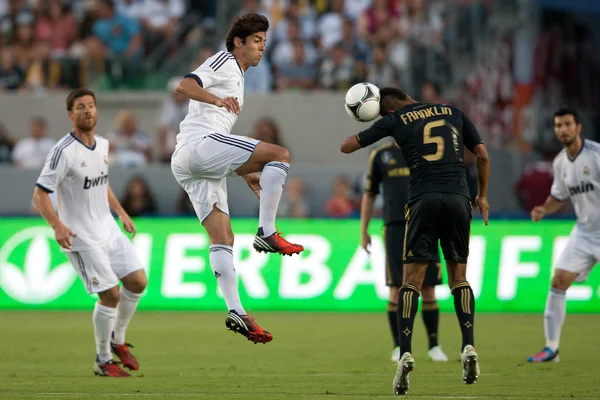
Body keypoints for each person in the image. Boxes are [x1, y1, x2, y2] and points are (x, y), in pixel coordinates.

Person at [340, 87, 490, 395]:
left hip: (423, 200)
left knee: (410, 282)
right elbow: (483, 155)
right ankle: (469, 346)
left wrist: (373, 123)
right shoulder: (453, 112)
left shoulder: (395, 120)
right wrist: (483, 196)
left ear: (387, 107)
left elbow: (347, 146)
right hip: (460, 199)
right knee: (458, 278)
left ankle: (405, 351)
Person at [171, 13, 304, 345]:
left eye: (263, 42)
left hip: (192, 161)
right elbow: (184, 85)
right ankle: (267, 232)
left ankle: (236, 310)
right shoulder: (224, 61)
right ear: (238, 43)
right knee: (280, 154)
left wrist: (241, 169)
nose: (261, 48)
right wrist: (216, 99)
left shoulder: (238, 75)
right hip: (199, 145)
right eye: (256, 41)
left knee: (222, 236)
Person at [33, 88, 148, 377]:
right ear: (71, 115)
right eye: (81, 107)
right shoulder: (63, 152)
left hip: (107, 227)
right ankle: (102, 359)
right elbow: (40, 194)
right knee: (110, 295)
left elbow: (102, 182)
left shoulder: (103, 145)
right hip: (81, 236)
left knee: (137, 281)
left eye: (91, 106)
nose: (88, 110)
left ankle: (118, 340)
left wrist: (121, 213)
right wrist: (57, 225)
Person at [361, 141, 448, 363]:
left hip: (426, 225)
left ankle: (434, 345)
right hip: (395, 227)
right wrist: (364, 229)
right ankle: (398, 346)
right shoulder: (380, 156)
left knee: (428, 288)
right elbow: (370, 193)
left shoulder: (428, 150)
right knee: (396, 288)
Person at [527, 107, 600, 363]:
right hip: (584, 233)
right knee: (558, 282)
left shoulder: (596, 155)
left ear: (578, 127)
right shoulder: (560, 163)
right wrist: (543, 209)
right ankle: (551, 348)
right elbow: (558, 197)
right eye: (558, 125)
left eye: (567, 124)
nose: (563, 129)